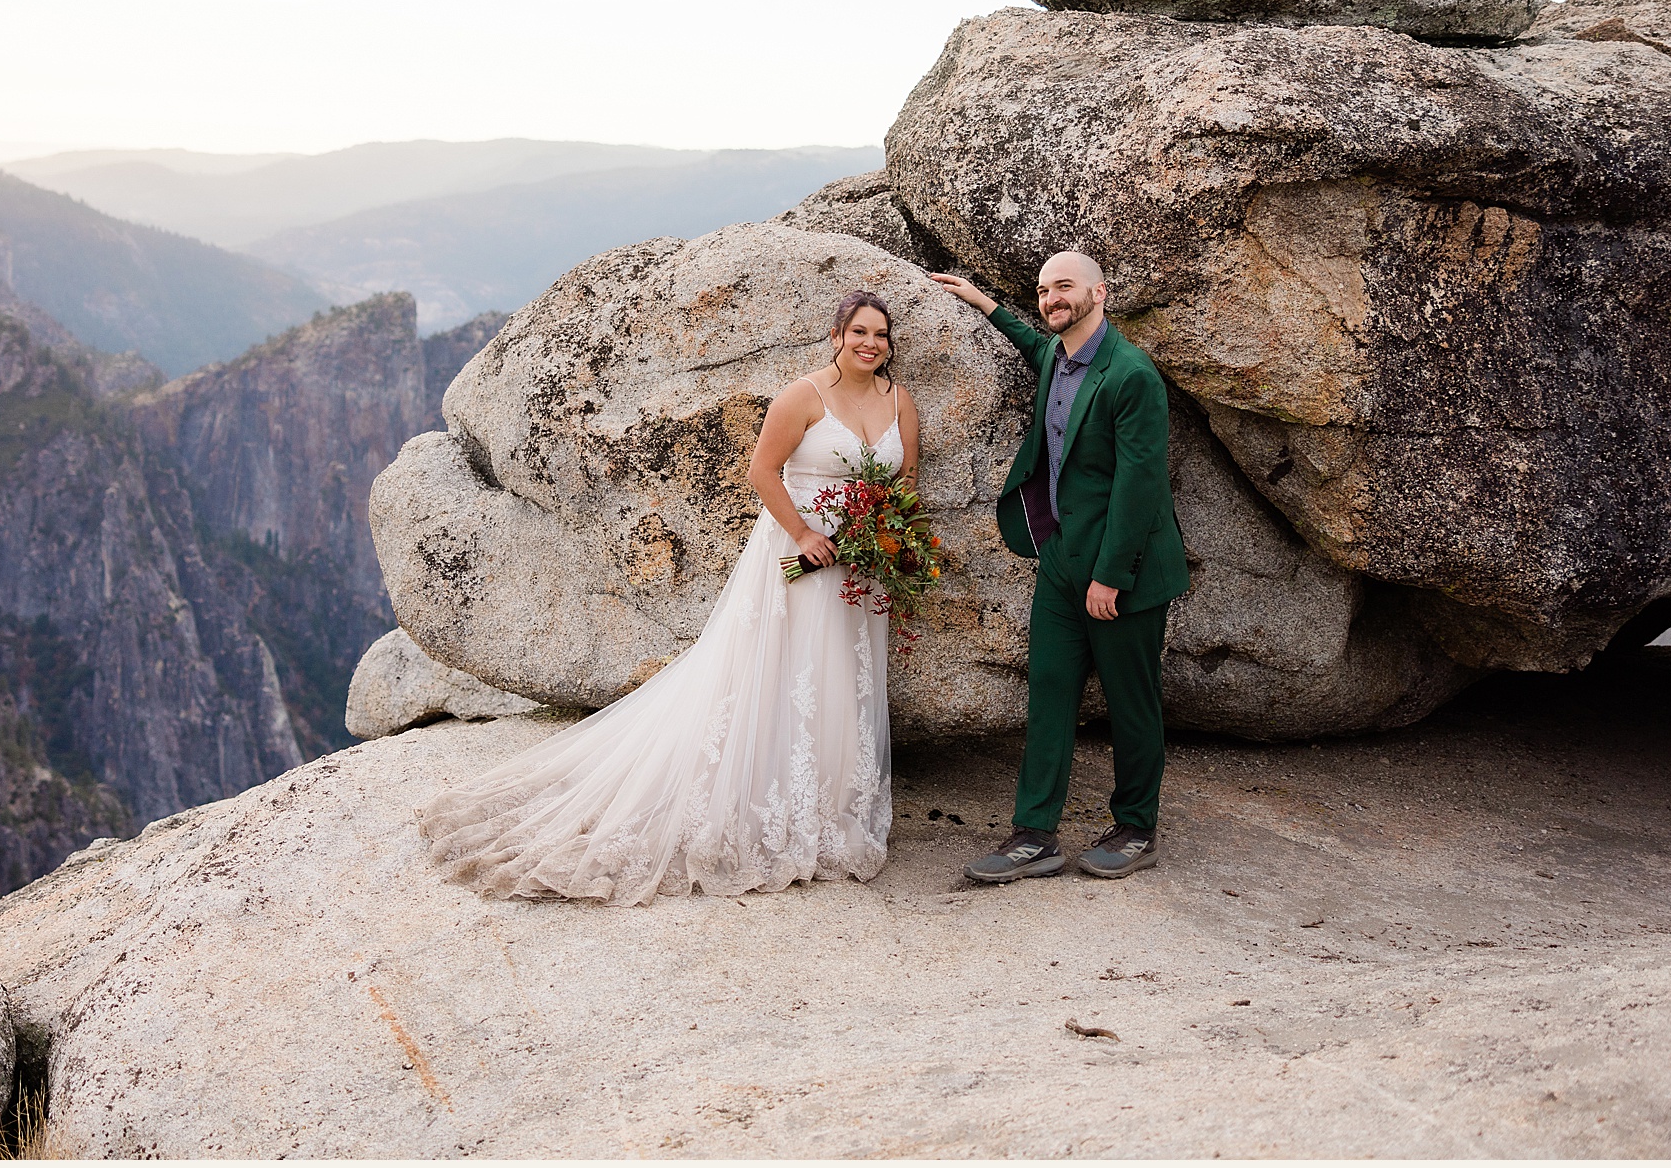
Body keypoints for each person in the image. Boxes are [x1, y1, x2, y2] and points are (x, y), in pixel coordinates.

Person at [416, 289, 921, 903]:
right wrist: (804, 534)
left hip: (860, 563)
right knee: (785, 669)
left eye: (882, 335)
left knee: (843, 674)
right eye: (860, 331)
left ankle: (827, 807)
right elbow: (764, 470)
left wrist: (886, 535)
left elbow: (906, 477)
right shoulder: (803, 395)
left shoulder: (899, 401)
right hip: (797, 552)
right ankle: (762, 801)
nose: (871, 343)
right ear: (838, 334)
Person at [928, 254, 1189, 883]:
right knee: (1048, 693)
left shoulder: (1131, 376)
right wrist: (981, 301)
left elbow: (1140, 486)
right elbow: (1030, 340)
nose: (1052, 299)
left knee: (1133, 703)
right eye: (1044, 291)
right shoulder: (1056, 355)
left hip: (1121, 571)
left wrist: (1112, 576)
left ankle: (1135, 828)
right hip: (1061, 561)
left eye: (1064, 287)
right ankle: (1033, 836)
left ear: (1099, 292)